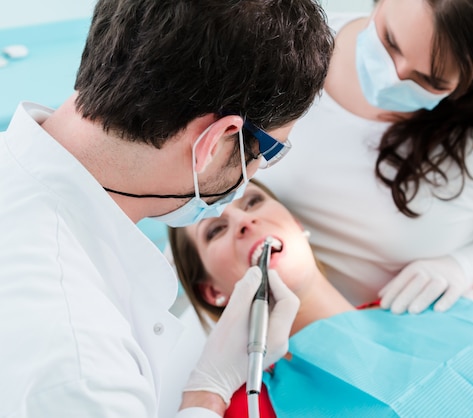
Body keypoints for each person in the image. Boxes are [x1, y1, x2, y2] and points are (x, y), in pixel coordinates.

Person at [0, 0, 333, 416]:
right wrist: (206, 396)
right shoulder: (82, 368)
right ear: (214, 141)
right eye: (269, 151)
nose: (243, 217)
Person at [169, 180, 473, 418]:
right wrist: (205, 395)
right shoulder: (251, 404)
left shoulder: (434, 305)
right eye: (216, 229)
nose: (244, 223)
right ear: (215, 293)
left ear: (296, 224)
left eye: (251, 204)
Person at [257, 0, 473, 314]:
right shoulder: (290, 49)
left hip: (381, 337)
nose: (393, 77)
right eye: (390, 41)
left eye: (431, 81)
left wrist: (461, 268)